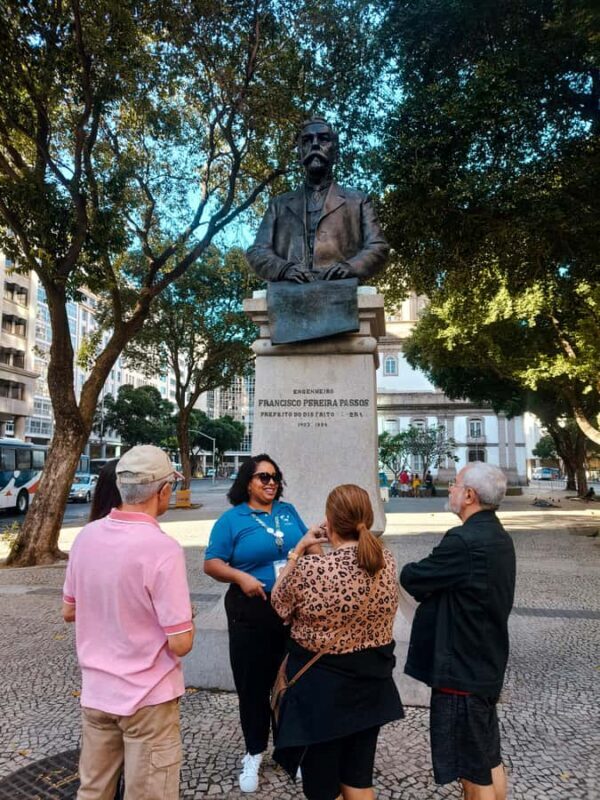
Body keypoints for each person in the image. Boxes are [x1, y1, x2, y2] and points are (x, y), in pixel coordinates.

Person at [63, 445, 194, 800]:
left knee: (93, 791)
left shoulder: (85, 538)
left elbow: (69, 610)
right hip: (148, 700)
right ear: (163, 491)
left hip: (97, 693)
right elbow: (181, 642)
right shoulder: (161, 548)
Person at [271, 484, 403, 800]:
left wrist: (299, 550)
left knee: (321, 786)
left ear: (329, 521)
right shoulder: (385, 561)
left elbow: (279, 602)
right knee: (359, 779)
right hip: (372, 684)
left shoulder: (311, 568)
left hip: (322, 694)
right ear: (368, 518)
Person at [400, 462, 516, 800]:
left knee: (473, 770)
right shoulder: (498, 535)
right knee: (489, 757)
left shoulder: (463, 540)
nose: (449, 489)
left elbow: (415, 576)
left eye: (454, 484)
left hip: (461, 670)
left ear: (469, 495)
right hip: (485, 661)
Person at [203, 454, 314, 793]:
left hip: (291, 611)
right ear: (247, 482)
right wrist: (240, 577)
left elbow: (307, 548)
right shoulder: (232, 520)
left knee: (291, 685)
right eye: (262, 477)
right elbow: (212, 563)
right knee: (253, 686)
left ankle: (291, 753)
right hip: (251, 609)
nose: (270, 483)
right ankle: (254, 751)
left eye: (275, 477)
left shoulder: (288, 511)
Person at [246, 117, 389, 284]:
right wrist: (284, 269)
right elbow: (257, 251)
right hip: (290, 289)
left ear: (336, 153)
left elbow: (378, 247)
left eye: (323, 139)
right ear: (299, 154)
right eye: (307, 141)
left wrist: (350, 267)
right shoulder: (278, 205)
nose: (315, 145)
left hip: (341, 286)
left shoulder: (358, 201)